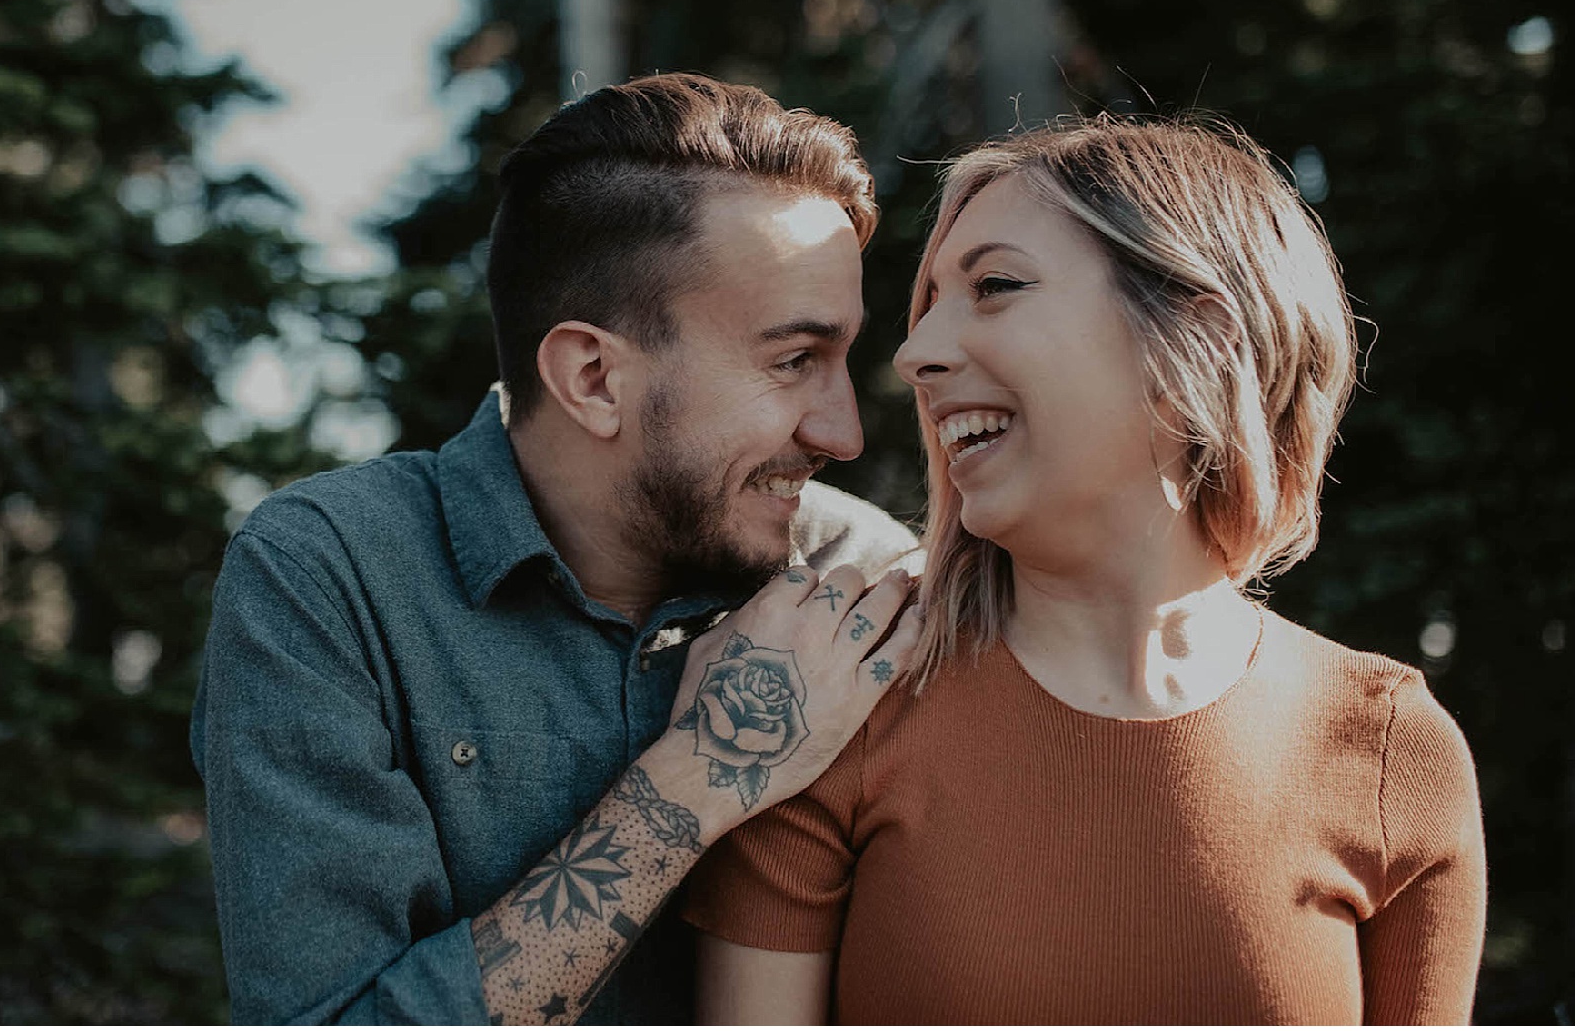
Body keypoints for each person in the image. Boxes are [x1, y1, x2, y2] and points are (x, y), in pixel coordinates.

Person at [685, 117, 1487, 1024]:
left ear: (1198, 334)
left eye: (994, 286)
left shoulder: (1392, 749)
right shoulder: (832, 701)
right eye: (931, 303)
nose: (915, 355)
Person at [191, 73, 924, 1024]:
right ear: (592, 377)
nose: (843, 433)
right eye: (793, 361)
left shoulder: (867, 578)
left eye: (844, 360)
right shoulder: (329, 577)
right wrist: (700, 776)